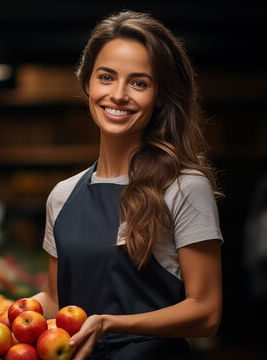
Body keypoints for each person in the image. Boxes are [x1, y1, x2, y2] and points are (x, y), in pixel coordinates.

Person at [31, 10, 223, 360]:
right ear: (87, 83)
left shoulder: (183, 188)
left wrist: (111, 323)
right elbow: (56, 299)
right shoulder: (62, 196)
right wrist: (21, 311)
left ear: (161, 96)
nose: (118, 95)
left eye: (139, 83)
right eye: (106, 77)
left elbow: (206, 312)